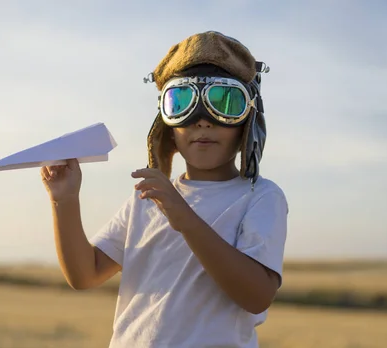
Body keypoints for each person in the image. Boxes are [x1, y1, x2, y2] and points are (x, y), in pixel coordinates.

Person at [40, 31, 288, 348]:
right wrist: (65, 199)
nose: (203, 122)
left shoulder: (261, 197)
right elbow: (85, 274)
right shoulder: (147, 197)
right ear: (167, 127)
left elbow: (257, 296)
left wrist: (184, 217)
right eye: (182, 103)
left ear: (248, 122)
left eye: (224, 102)